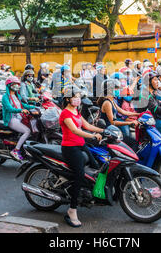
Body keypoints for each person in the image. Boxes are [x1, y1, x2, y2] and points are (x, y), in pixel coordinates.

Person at [59, 85, 103, 227]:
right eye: (75, 97)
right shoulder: (65, 113)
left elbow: (87, 126)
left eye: (79, 97)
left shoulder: (76, 111)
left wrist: (104, 130)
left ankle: (95, 194)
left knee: (97, 167)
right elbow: (75, 130)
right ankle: (72, 209)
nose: (78, 99)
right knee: (80, 174)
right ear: (67, 99)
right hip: (70, 148)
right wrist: (93, 136)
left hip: (81, 144)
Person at [2, 76, 35, 162]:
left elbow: (24, 105)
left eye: (17, 84)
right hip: (11, 119)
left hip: (20, 117)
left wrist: (35, 107)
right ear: (9, 85)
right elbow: (9, 109)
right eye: (14, 84)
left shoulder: (17, 96)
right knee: (27, 131)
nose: (17, 86)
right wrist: (21, 110)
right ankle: (16, 150)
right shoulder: (5, 97)